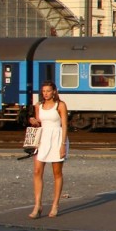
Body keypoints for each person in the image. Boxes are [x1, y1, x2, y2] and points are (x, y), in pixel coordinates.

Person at [29, 81, 68, 218]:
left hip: (56, 138)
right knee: (37, 171)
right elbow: (39, 122)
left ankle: (55, 204)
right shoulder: (38, 105)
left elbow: (64, 125)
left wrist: (63, 144)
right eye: (43, 91)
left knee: (57, 173)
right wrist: (34, 121)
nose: (45, 93)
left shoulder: (60, 105)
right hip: (42, 138)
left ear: (54, 92)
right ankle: (37, 205)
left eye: (48, 91)